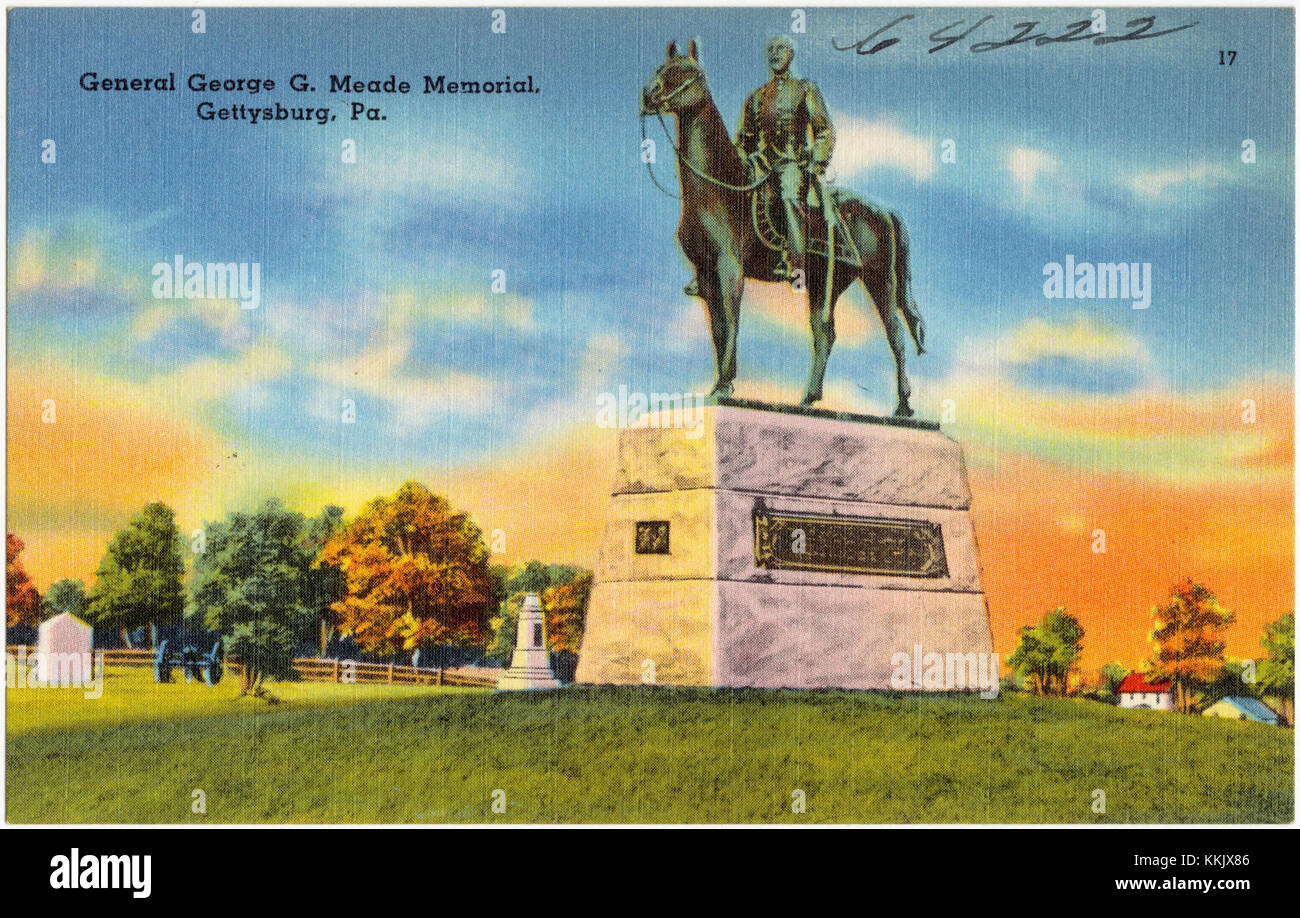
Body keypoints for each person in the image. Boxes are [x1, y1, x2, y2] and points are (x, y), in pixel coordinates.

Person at [683, 36, 834, 296]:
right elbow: (744, 140)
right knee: (727, 198)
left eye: (780, 49)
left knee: (788, 198)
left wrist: (814, 165)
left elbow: (824, 132)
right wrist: (738, 162)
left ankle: (797, 267)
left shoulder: (805, 89)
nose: (775, 54)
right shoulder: (755, 97)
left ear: (791, 54)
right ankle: (706, 267)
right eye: (771, 50)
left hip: (791, 164)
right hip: (760, 165)